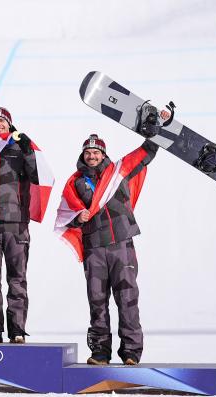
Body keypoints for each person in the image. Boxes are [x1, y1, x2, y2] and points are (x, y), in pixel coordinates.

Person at [54, 123, 166, 365]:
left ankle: (131, 354)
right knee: (97, 301)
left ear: (103, 155)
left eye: (96, 152)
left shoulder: (120, 172)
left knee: (127, 299)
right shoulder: (74, 183)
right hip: (94, 248)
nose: (92, 156)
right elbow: (64, 213)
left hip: (121, 245)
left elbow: (147, 152)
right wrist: (77, 217)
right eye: (88, 153)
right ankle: (100, 353)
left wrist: (159, 126)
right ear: (83, 155)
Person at [0, 107, 53, 344]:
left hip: (16, 225)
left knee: (17, 279)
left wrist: (27, 150)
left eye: (2, 121)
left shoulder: (20, 149)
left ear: (10, 124)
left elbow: (39, 176)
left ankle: (17, 330)